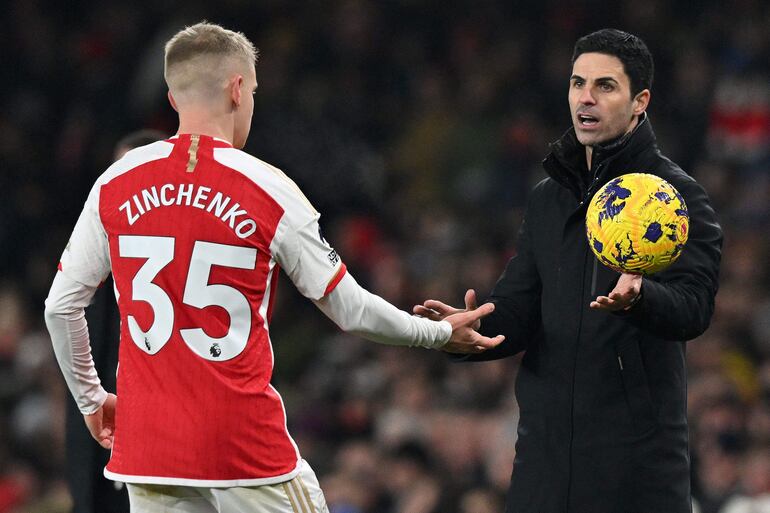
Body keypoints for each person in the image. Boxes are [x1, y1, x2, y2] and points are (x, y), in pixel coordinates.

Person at [44, 22, 503, 513]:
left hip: (150, 451)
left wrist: (92, 401)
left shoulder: (117, 180)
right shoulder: (267, 188)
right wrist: (434, 334)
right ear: (239, 89)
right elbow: (349, 309)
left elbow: (60, 307)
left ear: (174, 99)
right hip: (243, 448)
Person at [415, 29, 723, 513]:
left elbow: (695, 307)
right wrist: (473, 331)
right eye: (578, 83)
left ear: (639, 100)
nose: (586, 97)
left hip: (636, 464)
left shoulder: (673, 197)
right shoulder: (547, 198)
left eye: (605, 86)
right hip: (545, 457)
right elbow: (521, 306)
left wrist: (641, 300)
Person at [64, 129, 166, 513]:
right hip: (97, 454)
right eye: (113, 173)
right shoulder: (88, 261)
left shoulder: (181, 272)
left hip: (161, 456)